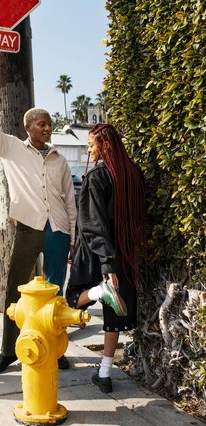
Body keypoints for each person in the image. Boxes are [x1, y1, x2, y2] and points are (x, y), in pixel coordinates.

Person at [0, 90, 77, 375]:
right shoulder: (11, 148)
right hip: (28, 228)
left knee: (56, 293)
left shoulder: (59, 159)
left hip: (58, 230)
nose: (47, 128)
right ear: (27, 127)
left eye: (49, 123)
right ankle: (8, 351)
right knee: (15, 289)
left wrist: (72, 236)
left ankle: (56, 349)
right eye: (41, 123)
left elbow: (69, 200)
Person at [66, 123, 145, 393]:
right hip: (124, 251)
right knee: (113, 318)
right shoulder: (133, 173)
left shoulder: (98, 176)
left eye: (91, 145)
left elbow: (92, 224)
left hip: (97, 252)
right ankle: (105, 373)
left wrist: (105, 265)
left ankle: (100, 291)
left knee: (74, 298)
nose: (89, 150)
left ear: (105, 145)